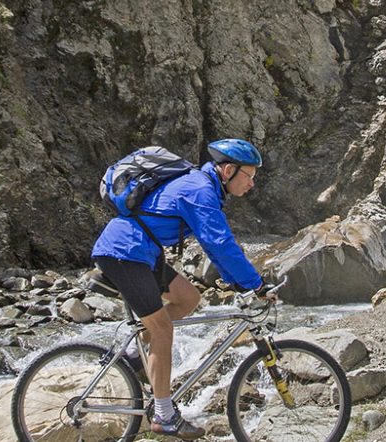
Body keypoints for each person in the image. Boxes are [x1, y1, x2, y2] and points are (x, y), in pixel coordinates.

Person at [91, 138, 269, 440]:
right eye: (249, 175)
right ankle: (164, 415)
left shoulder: (203, 187)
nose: (252, 183)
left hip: (142, 251)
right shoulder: (198, 190)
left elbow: (217, 249)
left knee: (188, 297)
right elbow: (220, 244)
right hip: (125, 252)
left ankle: (134, 355)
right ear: (228, 170)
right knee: (162, 330)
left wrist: (242, 285)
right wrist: (256, 285)